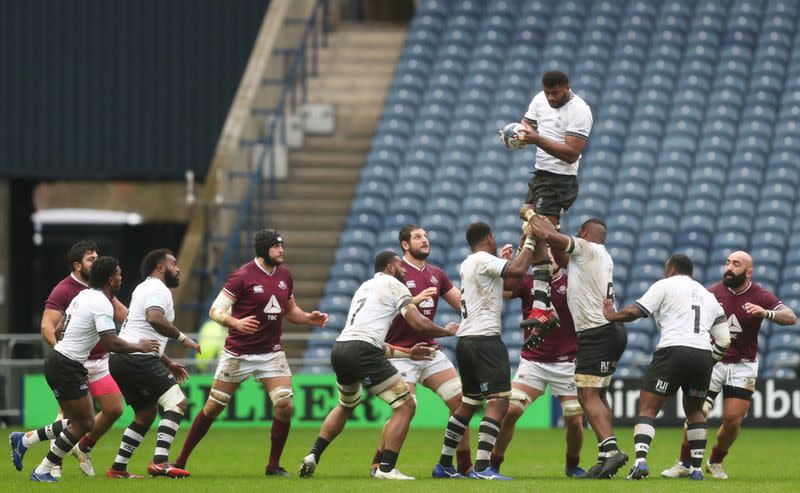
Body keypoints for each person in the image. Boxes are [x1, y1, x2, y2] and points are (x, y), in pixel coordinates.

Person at [176, 229, 328, 476]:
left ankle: (273, 466)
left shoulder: (284, 275)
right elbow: (215, 310)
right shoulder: (242, 276)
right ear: (263, 250)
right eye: (276, 247)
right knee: (213, 408)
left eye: (282, 246)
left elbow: (290, 310)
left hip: (271, 353)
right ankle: (180, 461)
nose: (281, 251)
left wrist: (308, 318)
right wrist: (234, 323)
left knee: (285, 405)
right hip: (238, 352)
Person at [298, 251, 458, 480]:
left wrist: (407, 353)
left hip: (341, 348)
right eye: (400, 265)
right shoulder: (396, 285)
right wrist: (447, 331)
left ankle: (313, 455)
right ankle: (386, 469)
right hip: (364, 351)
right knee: (406, 406)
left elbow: (370, 338)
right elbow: (418, 323)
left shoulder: (364, 287)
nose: (404, 269)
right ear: (390, 268)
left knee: (346, 405)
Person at [9, 257, 160, 482]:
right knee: (84, 423)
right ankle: (43, 470)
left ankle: (25, 440)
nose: (121, 277)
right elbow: (111, 343)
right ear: (111, 279)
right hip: (66, 365)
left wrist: (73, 349)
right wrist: (140, 345)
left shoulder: (83, 296)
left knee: (79, 420)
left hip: (60, 360)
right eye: (119, 273)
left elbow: (59, 329)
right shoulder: (101, 303)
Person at [662, 251, 797, 479]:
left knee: (733, 421)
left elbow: (791, 316)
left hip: (744, 365)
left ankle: (715, 462)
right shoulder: (711, 293)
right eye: (727, 263)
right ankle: (685, 463)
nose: (729, 267)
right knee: (698, 411)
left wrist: (767, 313)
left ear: (748, 271)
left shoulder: (759, 295)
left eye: (736, 264)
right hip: (713, 360)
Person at [603, 254, 732, 481]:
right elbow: (724, 340)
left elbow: (636, 311)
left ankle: (641, 462)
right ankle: (696, 469)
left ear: (671, 269)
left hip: (672, 351)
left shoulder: (665, 285)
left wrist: (612, 316)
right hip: (702, 355)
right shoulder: (709, 295)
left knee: (648, 408)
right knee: (695, 411)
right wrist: (709, 362)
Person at [527, 215, 628, 479]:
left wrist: (532, 215)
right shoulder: (602, 255)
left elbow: (550, 238)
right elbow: (559, 257)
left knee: (586, 396)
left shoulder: (585, 248)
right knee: (600, 394)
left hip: (595, 332)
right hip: (612, 331)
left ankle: (612, 449)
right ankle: (605, 456)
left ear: (583, 233)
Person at [431, 222, 534, 480]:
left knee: (468, 403)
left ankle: (444, 464)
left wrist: (504, 260)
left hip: (466, 341)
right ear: (489, 238)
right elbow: (520, 268)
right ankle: (482, 468)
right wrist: (529, 242)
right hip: (484, 339)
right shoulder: (483, 260)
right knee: (499, 401)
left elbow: (509, 279)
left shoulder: (470, 263)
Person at [369, 225, 472, 477]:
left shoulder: (437, 274)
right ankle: (379, 463)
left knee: (461, 402)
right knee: (406, 406)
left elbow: (462, 303)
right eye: (418, 237)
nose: (424, 240)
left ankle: (462, 465)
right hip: (403, 353)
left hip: (429, 351)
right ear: (405, 245)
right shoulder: (394, 275)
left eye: (425, 236)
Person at [502, 70, 593, 335]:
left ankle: (542, 306)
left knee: (534, 233)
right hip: (541, 176)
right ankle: (543, 306)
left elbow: (571, 154)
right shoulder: (539, 100)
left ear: (567, 87)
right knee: (535, 235)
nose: (550, 98)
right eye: (547, 92)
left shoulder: (580, 110)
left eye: (555, 93)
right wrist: (514, 137)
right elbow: (525, 128)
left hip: (560, 180)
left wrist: (536, 139)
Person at [491, 247, 586, 478]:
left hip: (566, 363)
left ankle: (572, 465)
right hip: (534, 362)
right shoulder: (527, 282)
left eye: (554, 254)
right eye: (546, 255)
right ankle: (493, 463)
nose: (550, 258)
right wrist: (503, 266)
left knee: (574, 419)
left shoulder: (574, 284)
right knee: (511, 411)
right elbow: (501, 291)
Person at [106, 249, 201, 478]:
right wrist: (183, 338)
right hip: (137, 359)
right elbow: (154, 318)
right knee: (177, 403)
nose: (177, 268)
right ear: (160, 268)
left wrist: (167, 362)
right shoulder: (158, 289)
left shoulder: (142, 288)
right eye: (173, 264)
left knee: (146, 414)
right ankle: (160, 462)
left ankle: (118, 468)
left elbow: (142, 330)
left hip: (120, 359)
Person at [39, 240, 129, 478]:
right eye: (91, 259)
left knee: (114, 409)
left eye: (97, 258)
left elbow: (124, 316)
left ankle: (84, 447)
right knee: (71, 417)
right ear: (77, 265)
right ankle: (54, 464)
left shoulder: (100, 289)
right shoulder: (64, 290)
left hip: (99, 360)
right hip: (74, 360)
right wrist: (63, 352)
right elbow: (47, 326)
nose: (96, 262)